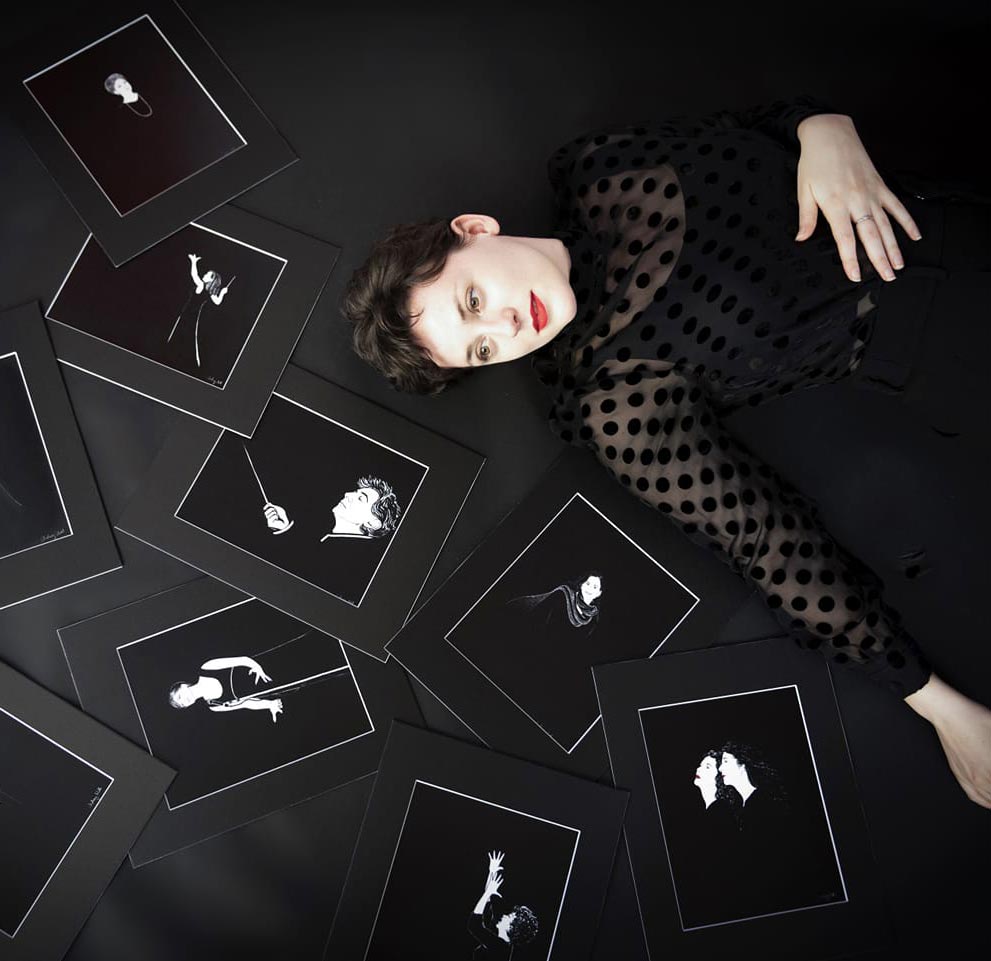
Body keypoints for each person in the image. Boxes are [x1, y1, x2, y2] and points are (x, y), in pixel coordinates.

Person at [343, 96, 991, 810]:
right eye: (483, 349)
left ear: (473, 231)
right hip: (958, 348)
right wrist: (941, 707)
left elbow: (751, 125)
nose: (505, 325)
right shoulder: (611, 399)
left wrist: (821, 128)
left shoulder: (597, 166)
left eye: (471, 300)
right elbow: (768, 543)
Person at [260, 475, 402, 540]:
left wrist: (285, 531)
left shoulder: (345, 558)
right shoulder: (329, 541)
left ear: (373, 523)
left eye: (361, 498)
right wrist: (283, 527)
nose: (348, 494)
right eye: (355, 492)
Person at [168, 655, 283, 723]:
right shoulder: (214, 706)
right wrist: (270, 704)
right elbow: (246, 703)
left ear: (182, 685)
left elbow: (242, 660)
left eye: (180, 697)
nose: (184, 701)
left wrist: (258, 667)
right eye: (182, 704)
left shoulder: (206, 668)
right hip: (274, 687)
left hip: (268, 665)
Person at [468, 850, 539, 957]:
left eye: (509, 917)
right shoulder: (500, 938)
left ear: (512, 928)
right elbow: (486, 903)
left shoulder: (500, 947)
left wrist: (488, 892)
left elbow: (474, 924)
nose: (505, 915)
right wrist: (492, 872)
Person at [510, 571, 603, 630]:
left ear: (598, 593)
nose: (589, 589)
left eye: (595, 587)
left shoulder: (592, 617)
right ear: (581, 585)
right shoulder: (562, 595)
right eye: (587, 583)